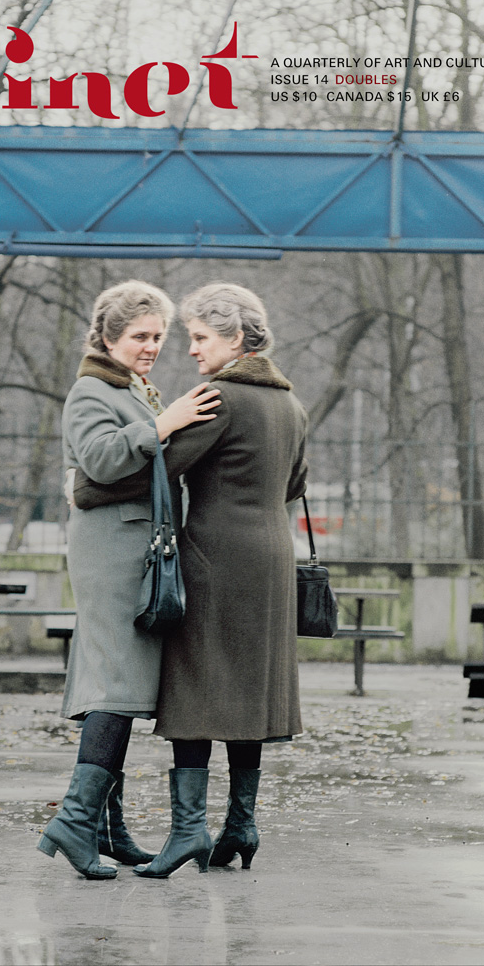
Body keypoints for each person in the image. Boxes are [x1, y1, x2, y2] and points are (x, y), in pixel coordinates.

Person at [73, 282, 308, 878]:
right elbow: (294, 485)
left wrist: (88, 488)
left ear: (235, 338)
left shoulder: (221, 397)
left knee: (197, 689)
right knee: (249, 690)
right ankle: (242, 824)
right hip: (274, 555)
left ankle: (187, 833)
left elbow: (165, 468)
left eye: (200, 338)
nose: (193, 351)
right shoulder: (291, 403)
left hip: (215, 556)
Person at [37, 279, 220, 881]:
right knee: (116, 687)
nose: (152, 346)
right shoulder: (92, 390)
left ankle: (107, 828)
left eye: (157, 337)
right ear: (109, 337)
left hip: (134, 549)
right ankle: (74, 820)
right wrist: (162, 425)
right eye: (140, 336)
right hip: (113, 554)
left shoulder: (134, 389)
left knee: (114, 684)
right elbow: (102, 460)